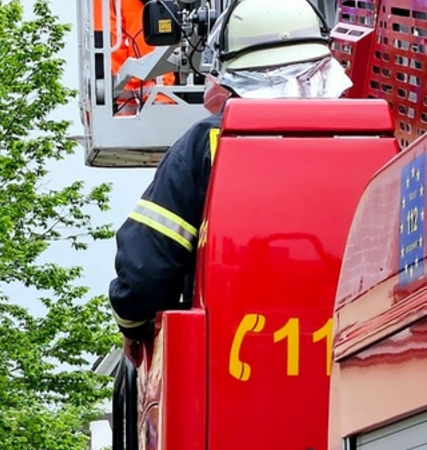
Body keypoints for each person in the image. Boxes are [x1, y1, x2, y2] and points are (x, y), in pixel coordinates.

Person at [108, 0, 351, 361]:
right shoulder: (374, 133)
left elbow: (148, 265)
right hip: (361, 353)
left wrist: (132, 324)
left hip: (240, 359)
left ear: (231, 72)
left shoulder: (208, 143)